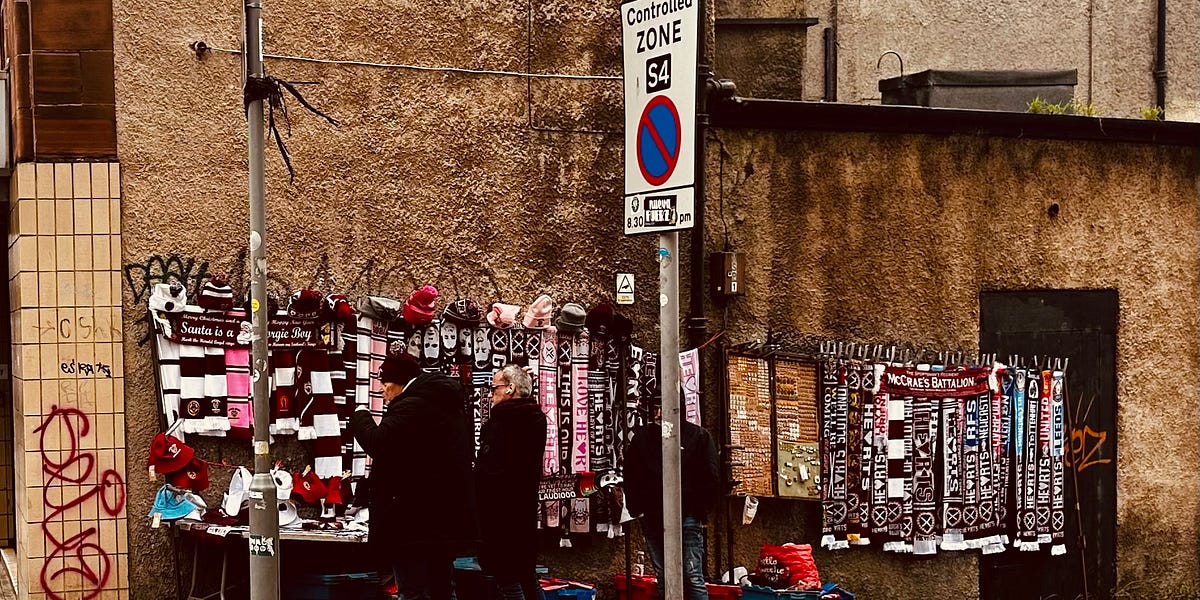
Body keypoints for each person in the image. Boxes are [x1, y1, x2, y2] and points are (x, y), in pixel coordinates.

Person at [351, 353, 478, 600]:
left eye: (385, 383)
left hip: (413, 520)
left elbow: (379, 442)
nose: (382, 390)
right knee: (442, 588)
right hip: (442, 518)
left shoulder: (411, 406)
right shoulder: (441, 402)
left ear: (399, 381)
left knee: (413, 590)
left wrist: (360, 416)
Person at [623, 413, 720, 600]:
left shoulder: (698, 436)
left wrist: (700, 509)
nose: (659, 412)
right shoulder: (644, 438)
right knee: (673, 576)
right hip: (657, 515)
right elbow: (631, 474)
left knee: (688, 575)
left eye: (661, 406)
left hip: (683, 514)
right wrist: (637, 508)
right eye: (656, 406)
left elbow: (711, 476)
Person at [475, 364, 548, 600]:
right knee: (527, 577)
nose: (490, 394)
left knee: (508, 580)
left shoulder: (503, 423)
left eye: (494, 388)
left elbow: (491, 472)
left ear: (510, 389)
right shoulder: (535, 418)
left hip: (500, 514)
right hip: (523, 510)